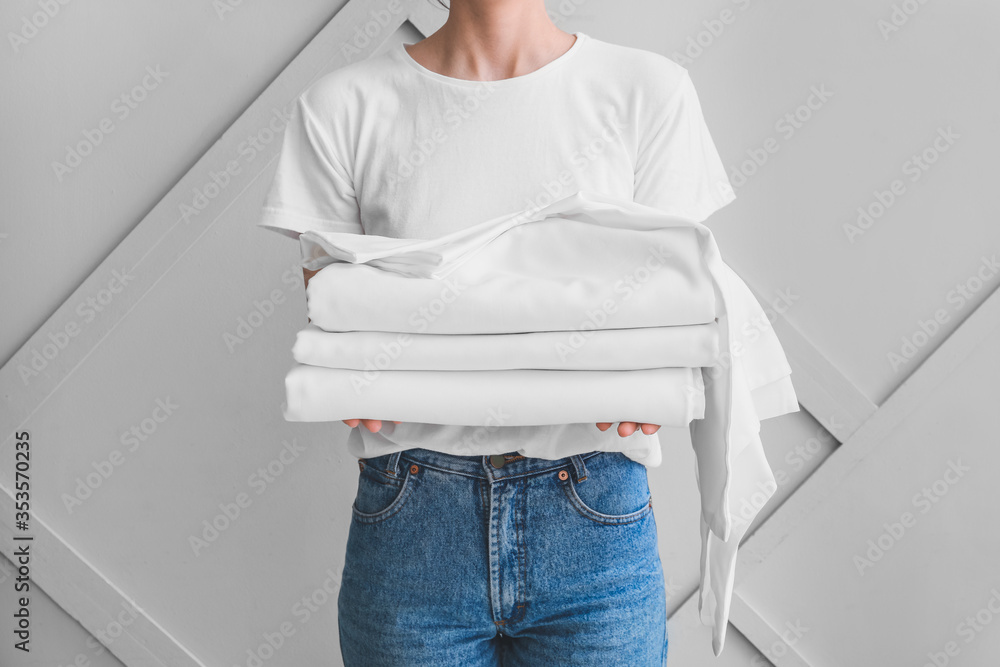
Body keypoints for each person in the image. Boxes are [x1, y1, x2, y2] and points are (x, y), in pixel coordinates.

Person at [258, 1, 737, 664]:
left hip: (595, 516)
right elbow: (340, 323)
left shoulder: (647, 92)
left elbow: (674, 305)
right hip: (413, 521)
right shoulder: (342, 106)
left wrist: (648, 381)